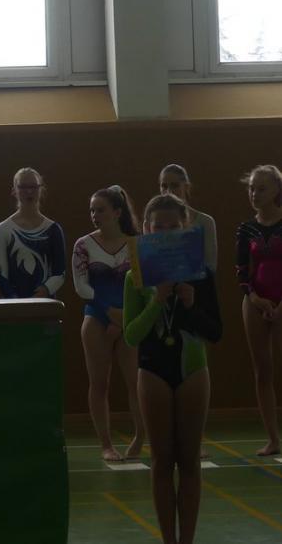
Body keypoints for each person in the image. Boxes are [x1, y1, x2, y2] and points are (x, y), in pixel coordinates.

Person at [125, 193, 221, 544]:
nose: (165, 232)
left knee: (190, 461)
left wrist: (191, 305)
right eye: (158, 227)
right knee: (162, 461)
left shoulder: (201, 275)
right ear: (146, 230)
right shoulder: (135, 277)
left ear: (185, 228)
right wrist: (157, 300)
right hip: (152, 371)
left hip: (193, 371)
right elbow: (132, 335)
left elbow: (215, 332)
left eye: (173, 226)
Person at [72, 186, 144, 462]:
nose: (95, 215)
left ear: (117, 212)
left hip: (129, 318)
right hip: (97, 317)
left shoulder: (135, 244)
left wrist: (125, 317)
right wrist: (109, 311)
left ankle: (140, 436)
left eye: (100, 210)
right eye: (92, 210)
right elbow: (81, 286)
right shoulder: (83, 245)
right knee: (99, 383)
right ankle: (106, 444)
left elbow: (142, 285)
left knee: (135, 382)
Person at [236, 164, 282, 457]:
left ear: (277, 190)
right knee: (262, 370)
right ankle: (273, 439)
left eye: (261, 188)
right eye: (251, 188)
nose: (254, 194)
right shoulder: (246, 228)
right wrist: (253, 297)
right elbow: (242, 270)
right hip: (255, 300)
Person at [0, 167, 67, 299]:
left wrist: (45, 291)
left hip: (45, 303)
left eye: (33, 186)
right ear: (14, 191)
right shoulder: (3, 230)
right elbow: (1, 276)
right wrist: (17, 302)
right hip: (15, 305)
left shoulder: (53, 229)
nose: (29, 191)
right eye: (23, 187)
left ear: (41, 189)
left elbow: (60, 273)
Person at [159, 164, 218, 274]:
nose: (168, 191)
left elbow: (210, 266)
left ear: (186, 187)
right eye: (164, 186)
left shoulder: (205, 222)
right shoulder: (154, 224)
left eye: (174, 186)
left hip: (198, 283)